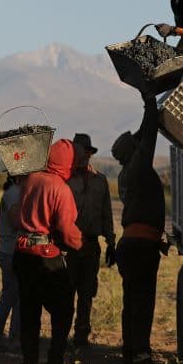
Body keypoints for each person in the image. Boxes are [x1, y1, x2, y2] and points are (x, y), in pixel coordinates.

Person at [14, 139, 83, 364]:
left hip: (22, 253)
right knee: (63, 311)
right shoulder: (60, 189)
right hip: (46, 256)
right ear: (67, 163)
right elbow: (66, 230)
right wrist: (79, 243)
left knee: (29, 311)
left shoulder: (30, 179)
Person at [111, 91, 167, 364]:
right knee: (143, 301)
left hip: (132, 245)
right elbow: (150, 136)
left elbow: (144, 135)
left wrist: (149, 105)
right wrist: (150, 101)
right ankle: (141, 356)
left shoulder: (128, 172)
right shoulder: (139, 168)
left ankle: (130, 354)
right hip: (141, 247)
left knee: (131, 300)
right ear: (133, 151)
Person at [66, 133, 115, 349]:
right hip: (68, 246)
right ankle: (61, 334)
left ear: (90, 154)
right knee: (67, 293)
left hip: (91, 245)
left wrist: (111, 243)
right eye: (79, 151)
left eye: (86, 151)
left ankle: (81, 337)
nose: (83, 155)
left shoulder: (100, 181)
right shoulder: (65, 179)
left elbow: (106, 214)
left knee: (86, 294)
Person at [0, 173, 22, 353]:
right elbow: (16, 221)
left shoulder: (13, 192)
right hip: (11, 252)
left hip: (8, 250)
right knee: (15, 297)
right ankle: (11, 340)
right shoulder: (15, 193)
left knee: (11, 296)